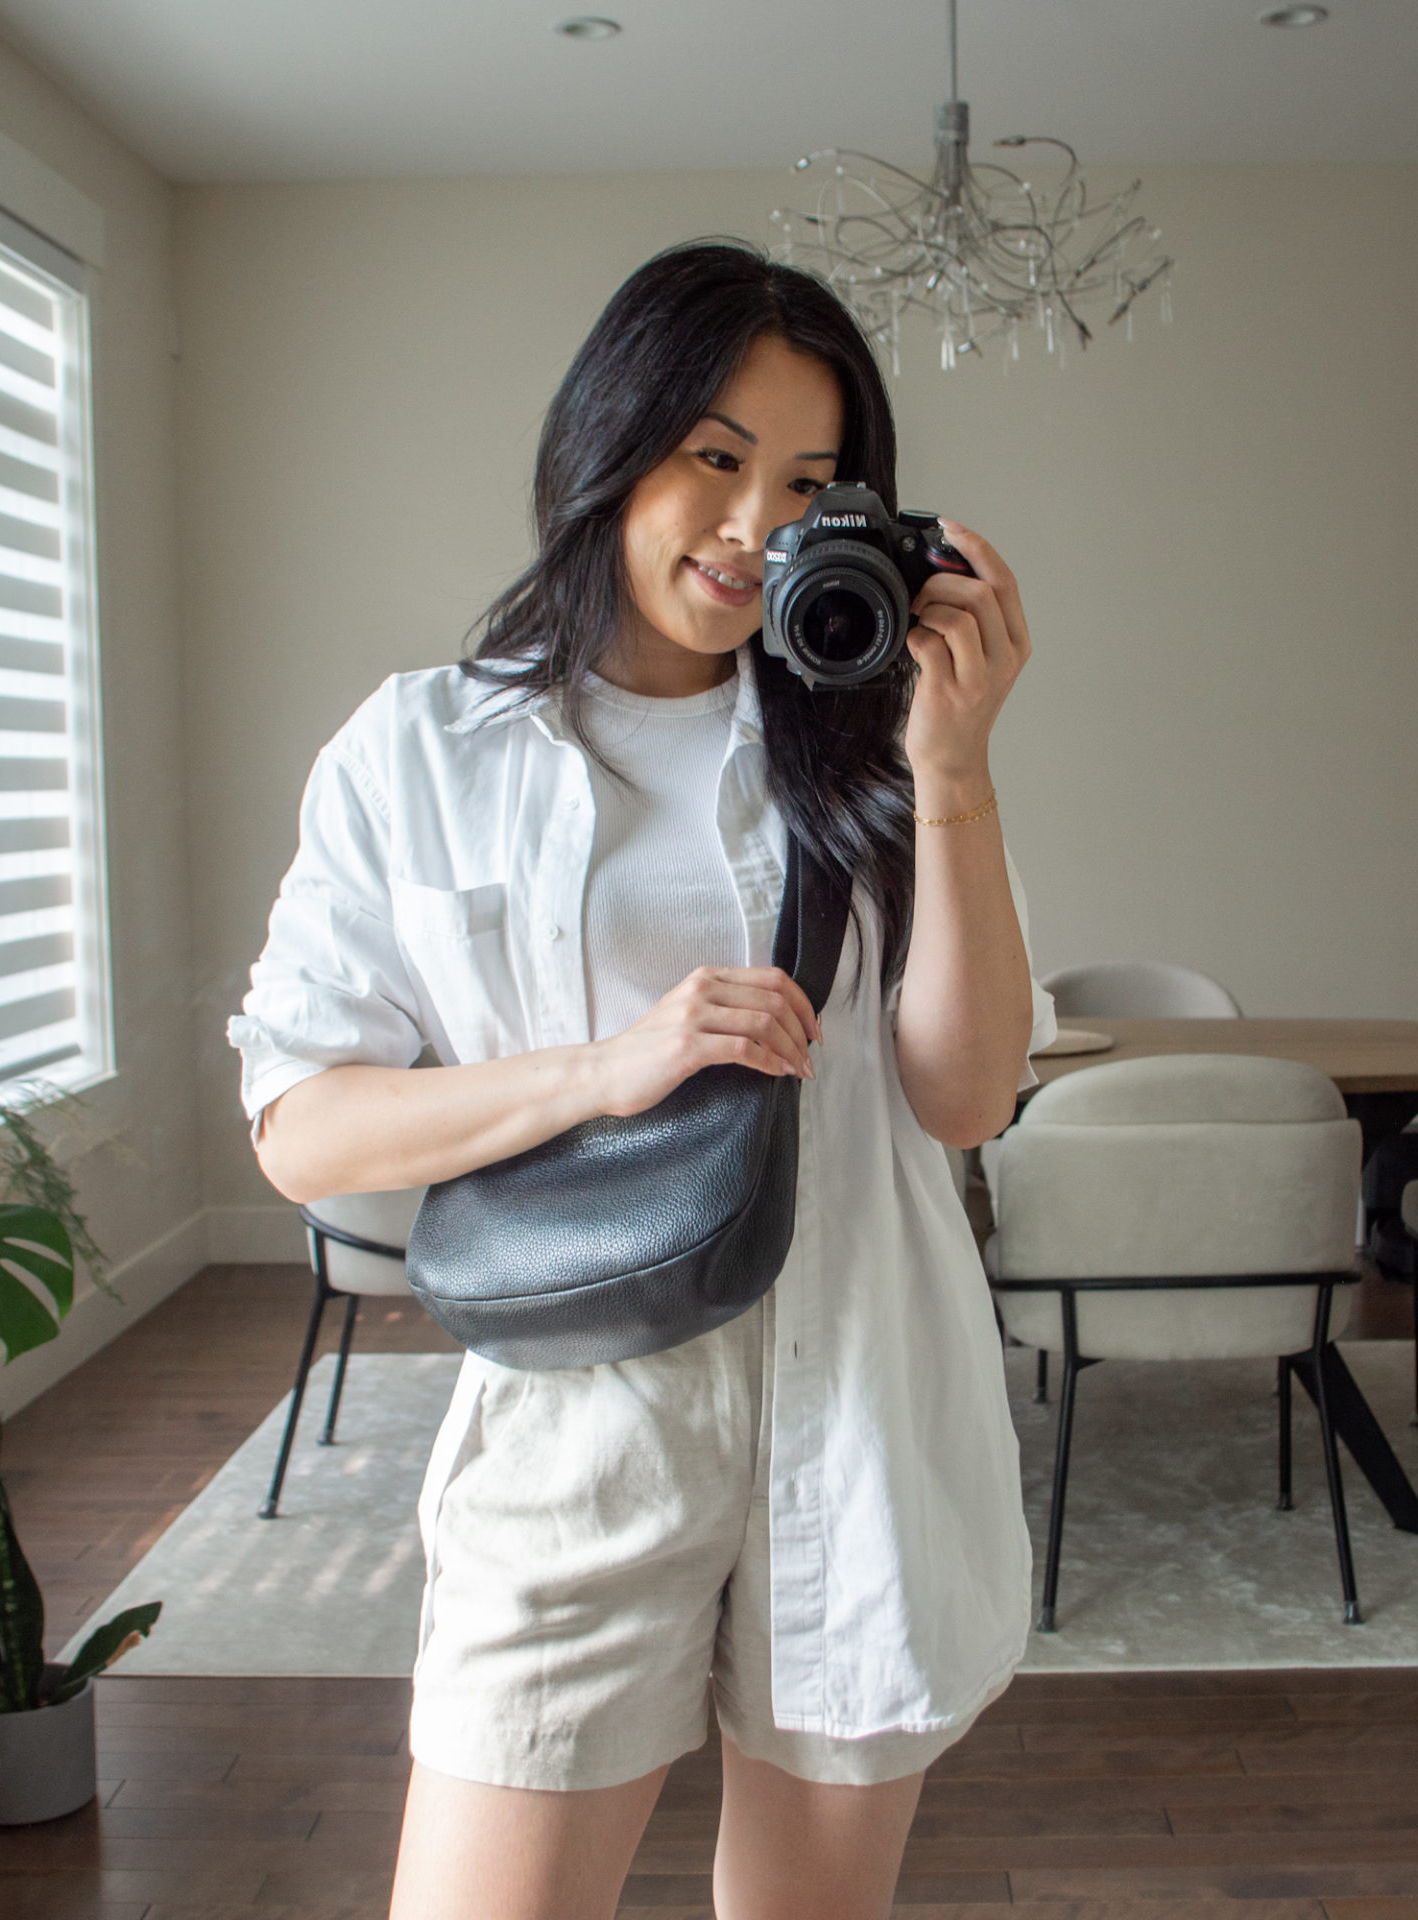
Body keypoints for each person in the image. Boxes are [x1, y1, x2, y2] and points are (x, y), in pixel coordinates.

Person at [230, 239, 1057, 1920]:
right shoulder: (422, 753)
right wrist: (607, 1068)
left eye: (814, 481)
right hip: (579, 1424)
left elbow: (965, 1102)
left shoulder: (874, 738)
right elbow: (303, 1125)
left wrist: (953, 772)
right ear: (610, 443)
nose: (758, 526)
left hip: (862, 1407)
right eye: (717, 457)